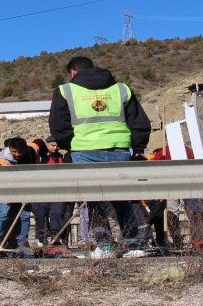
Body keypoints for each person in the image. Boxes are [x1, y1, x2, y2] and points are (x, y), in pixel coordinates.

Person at [49, 56, 151, 247]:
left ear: (72, 72)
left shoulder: (65, 90)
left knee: (94, 199)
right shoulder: (121, 88)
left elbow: (58, 125)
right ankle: (131, 242)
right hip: (119, 148)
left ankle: (104, 244)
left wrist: (71, 144)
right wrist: (138, 148)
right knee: (121, 197)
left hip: (84, 150)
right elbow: (139, 121)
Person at [0, 137, 36, 248]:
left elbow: (35, 171)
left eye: (20, 152)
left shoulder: (32, 154)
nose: (18, 154)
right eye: (14, 152)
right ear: (9, 149)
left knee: (24, 214)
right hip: (5, 188)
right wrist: (4, 194)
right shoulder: (0, 160)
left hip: (23, 188)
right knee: (4, 213)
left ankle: (22, 242)